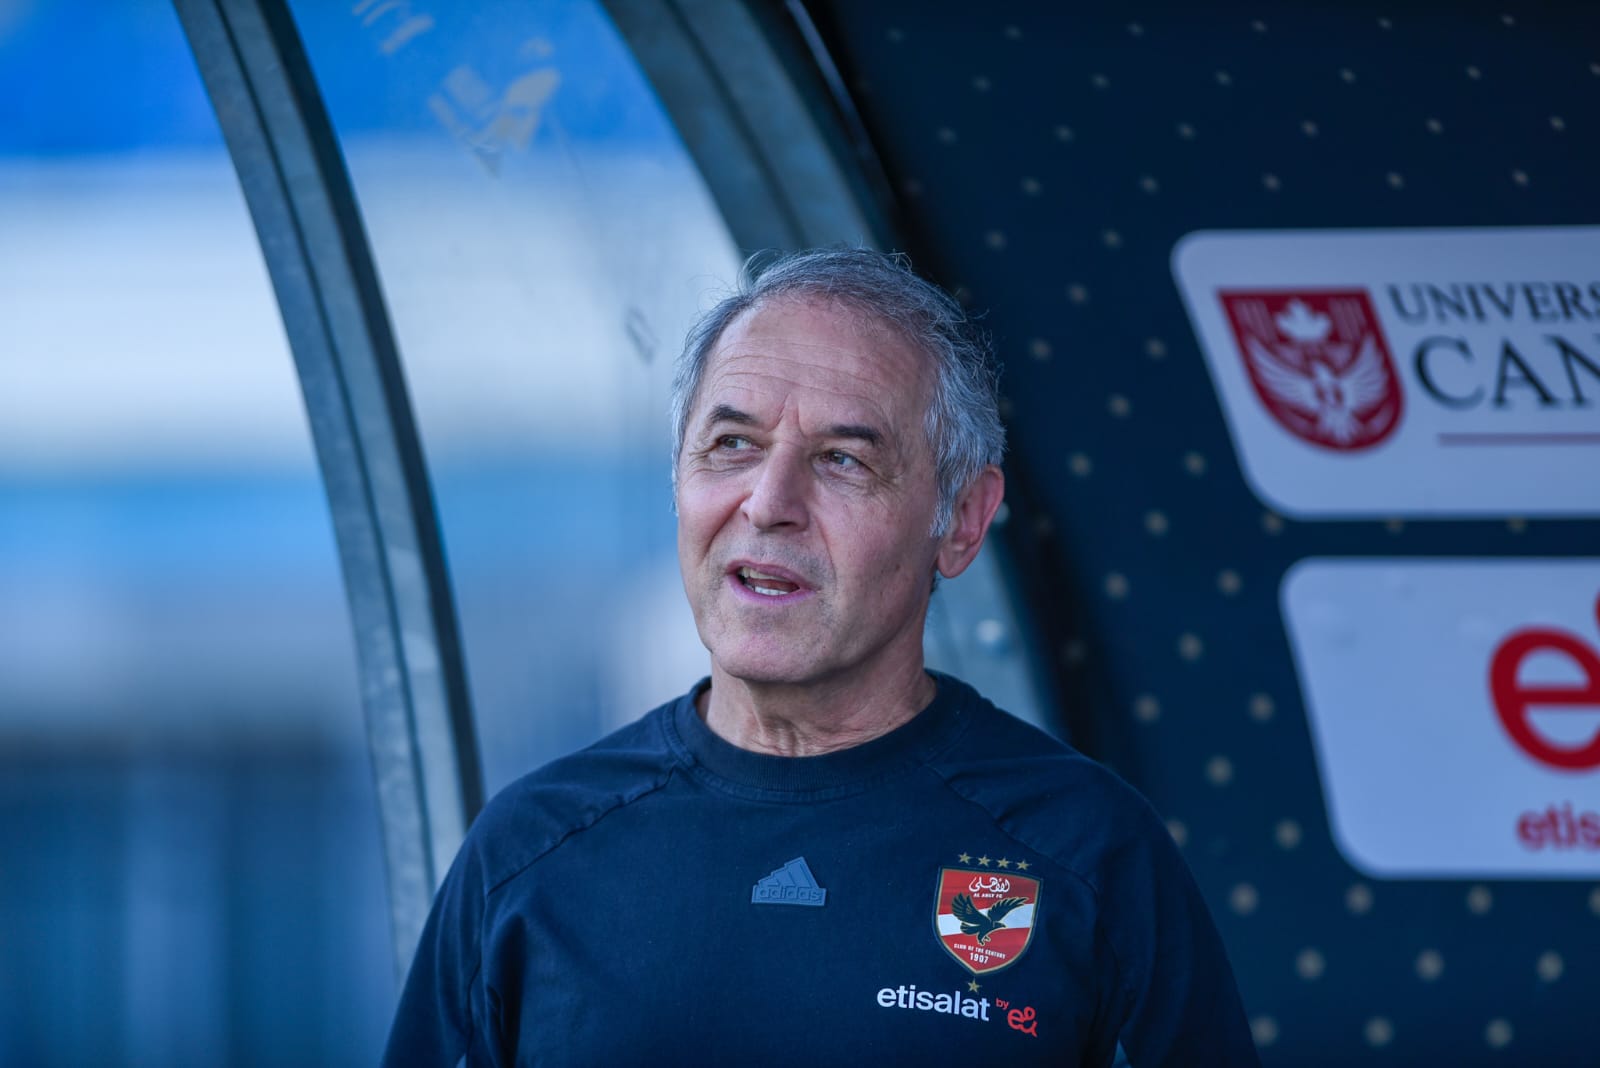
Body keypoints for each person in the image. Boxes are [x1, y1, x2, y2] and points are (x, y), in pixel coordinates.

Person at [382, 249, 1259, 1066]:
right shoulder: (532, 852)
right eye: (732, 445)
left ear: (961, 521)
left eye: (842, 459)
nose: (769, 502)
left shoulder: (1088, 850)